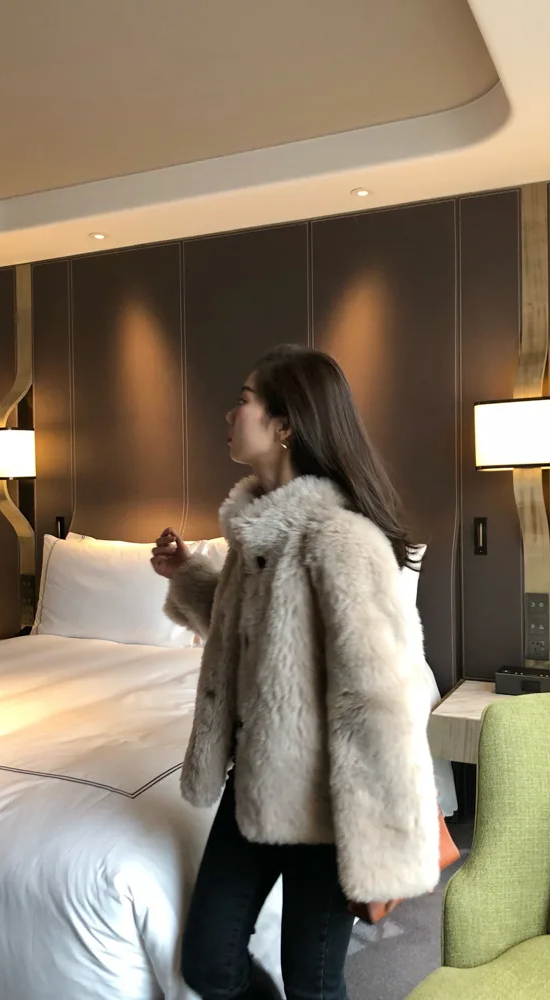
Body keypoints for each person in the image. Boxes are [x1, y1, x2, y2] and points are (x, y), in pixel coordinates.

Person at [151, 345, 440, 1000]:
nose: (229, 414)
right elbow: (245, 632)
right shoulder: (258, 537)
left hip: (325, 811)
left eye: (244, 400)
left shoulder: (341, 541)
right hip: (253, 788)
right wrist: (188, 573)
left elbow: (377, 700)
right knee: (209, 963)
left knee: (313, 986)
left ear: (284, 425)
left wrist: (380, 840)